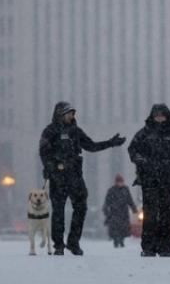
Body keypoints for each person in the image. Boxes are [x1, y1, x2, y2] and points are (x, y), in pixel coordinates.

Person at [39, 101, 126, 256]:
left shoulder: (76, 131)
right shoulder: (50, 131)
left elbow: (91, 146)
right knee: (58, 211)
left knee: (81, 208)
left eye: (73, 113)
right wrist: (51, 167)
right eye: (69, 113)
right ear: (60, 114)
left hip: (75, 176)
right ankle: (58, 244)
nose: (72, 116)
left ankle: (73, 242)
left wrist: (111, 143)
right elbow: (44, 153)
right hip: (58, 177)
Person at [128, 104, 170, 257]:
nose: (159, 118)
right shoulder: (143, 134)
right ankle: (148, 247)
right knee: (149, 214)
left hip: (168, 180)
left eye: (162, 115)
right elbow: (133, 151)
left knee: (166, 214)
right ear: (152, 117)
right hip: (148, 180)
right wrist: (144, 162)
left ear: (167, 116)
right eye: (157, 115)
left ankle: (165, 247)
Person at [102, 174, 138, 248]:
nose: (120, 183)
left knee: (123, 228)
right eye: (119, 182)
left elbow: (129, 200)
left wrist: (134, 208)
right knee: (115, 228)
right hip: (114, 212)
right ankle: (116, 240)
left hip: (124, 212)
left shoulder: (125, 189)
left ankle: (121, 240)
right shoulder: (111, 190)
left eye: (121, 182)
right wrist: (106, 210)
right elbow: (107, 201)